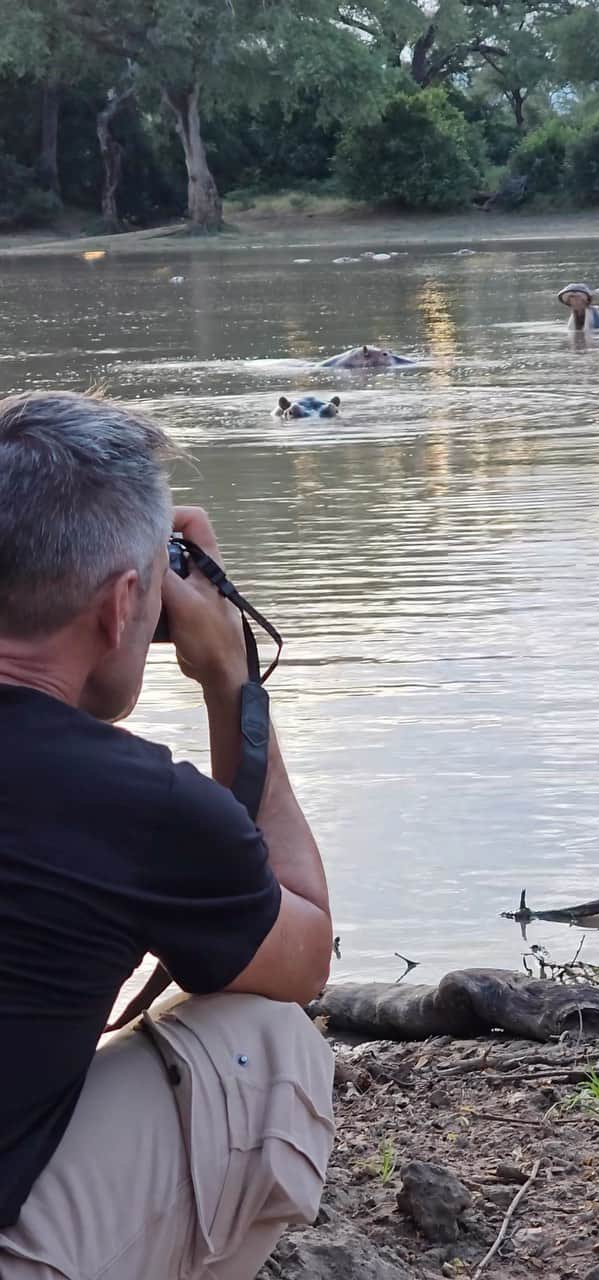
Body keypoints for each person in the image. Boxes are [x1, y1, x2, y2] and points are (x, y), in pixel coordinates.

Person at [0, 391, 335, 1280]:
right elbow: (301, 951)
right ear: (120, 608)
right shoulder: (131, 800)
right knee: (267, 1044)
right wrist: (230, 677)